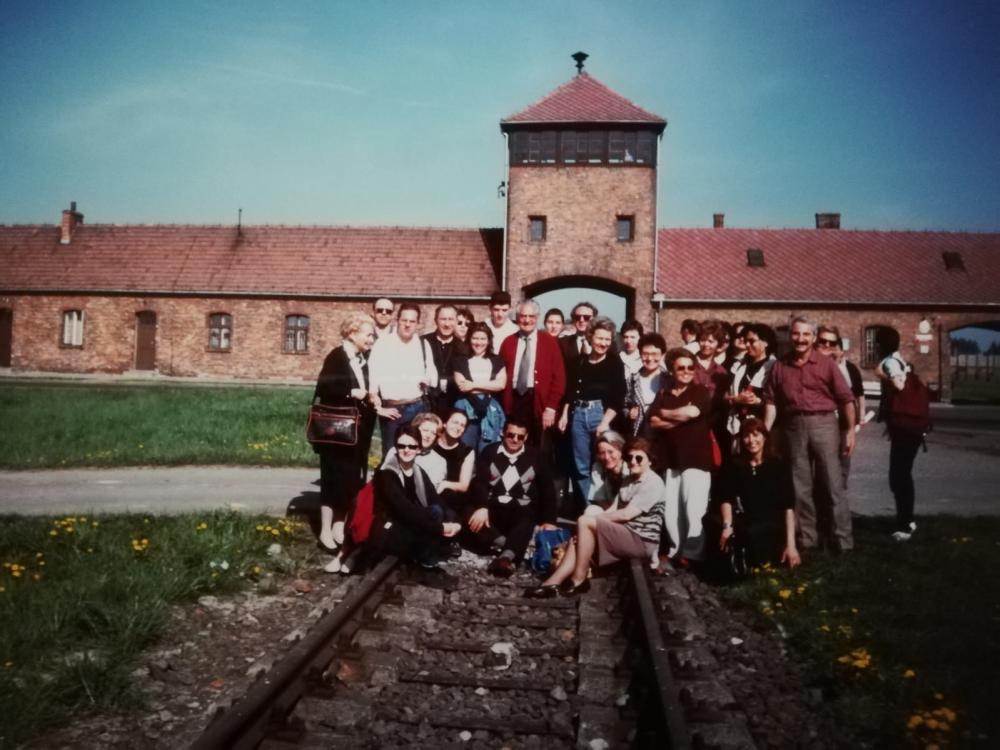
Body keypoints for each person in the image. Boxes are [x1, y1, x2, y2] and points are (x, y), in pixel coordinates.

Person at [524, 438, 664, 598]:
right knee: (579, 537)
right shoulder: (629, 480)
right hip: (628, 533)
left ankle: (579, 579)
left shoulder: (653, 483)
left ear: (650, 461)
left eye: (639, 458)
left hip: (642, 541)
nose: (633, 461)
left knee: (585, 522)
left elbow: (626, 514)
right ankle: (552, 583)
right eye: (630, 457)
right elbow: (614, 508)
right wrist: (585, 530)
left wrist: (590, 524)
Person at [764, 317, 857, 553]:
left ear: (813, 338)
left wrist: (849, 432)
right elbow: (771, 401)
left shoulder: (826, 364)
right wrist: (766, 432)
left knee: (832, 483)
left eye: (806, 335)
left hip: (824, 424)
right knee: (800, 485)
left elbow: (846, 400)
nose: (800, 339)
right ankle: (807, 539)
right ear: (790, 336)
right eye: (796, 334)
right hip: (793, 426)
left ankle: (842, 540)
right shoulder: (780, 366)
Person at [312, 313, 378, 572]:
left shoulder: (361, 359)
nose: (371, 339)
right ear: (352, 333)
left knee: (350, 480)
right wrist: (353, 392)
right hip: (335, 433)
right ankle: (325, 530)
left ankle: (340, 524)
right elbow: (323, 387)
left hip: (355, 433)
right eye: (367, 334)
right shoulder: (337, 356)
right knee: (332, 479)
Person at [370, 425, 461, 588]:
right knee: (429, 517)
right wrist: (439, 528)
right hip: (389, 530)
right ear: (396, 447)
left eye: (412, 446)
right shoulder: (387, 473)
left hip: (409, 526)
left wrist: (454, 522)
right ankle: (426, 568)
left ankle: (425, 565)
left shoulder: (418, 471)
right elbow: (405, 510)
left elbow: (436, 499)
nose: (406, 450)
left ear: (418, 449)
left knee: (436, 510)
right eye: (401, 446)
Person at [466, 419, 558, 576]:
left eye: (520, 437)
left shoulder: (536, 456)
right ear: (503, 433)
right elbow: (479, 482)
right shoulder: (490, 451)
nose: (515, 440)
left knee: (527, 518)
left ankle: (505, 557)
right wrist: (482, 507)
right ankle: (507, 544)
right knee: (468, 513)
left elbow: (547, 490)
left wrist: (549, 520)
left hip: (520, 510)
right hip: (493, 508)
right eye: (511, 435)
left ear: (526, 437)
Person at [650, 348, 714, 566]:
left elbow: (694, 412)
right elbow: (652, 422)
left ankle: (694, 553)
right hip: (671, 458)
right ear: (671, 370)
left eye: (690, 367)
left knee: (693, 507)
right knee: (672, 510)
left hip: (696, 457)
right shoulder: (664, 394)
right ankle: (678, 551)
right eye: (681, 368)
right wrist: (681, 415)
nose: (687, 371)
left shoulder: (700, 392)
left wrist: (666, 414)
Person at [558, 316, 626, 508]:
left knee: (605, 463)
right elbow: (570, 392)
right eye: (600, 338)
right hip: (578, 414)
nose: (603, 343)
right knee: (581, 465)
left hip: (601, 415)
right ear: (590, 337)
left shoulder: (614, 363)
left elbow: (619, 397)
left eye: (607, 339)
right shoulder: (578, 362)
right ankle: (590, 508)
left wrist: (604, 423)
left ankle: (608, 506)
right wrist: (564, 414)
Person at [716, 418, 801, 569]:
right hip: (746, 519)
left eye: (756, 435)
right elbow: (725, 497)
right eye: (746, 436)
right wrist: (727, 526)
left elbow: (788, 506)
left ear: (765, 437)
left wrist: (791, 545)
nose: (751, 440)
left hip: (772, 523)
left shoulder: (778, 465)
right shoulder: (734, 464)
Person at [368, 303, 438, 455]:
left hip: (417, 408)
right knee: (391, 454)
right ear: (397, 320)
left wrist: (427, 379)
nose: (407, 325)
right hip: (393, 410)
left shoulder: (423, 344)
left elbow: (433, 375)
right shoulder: (383, 344)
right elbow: (372, 377)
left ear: (418, 324)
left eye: (412, 321)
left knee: (416, 453)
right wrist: (378, 407)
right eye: (404, 320)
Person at [878, 333, 925, 542]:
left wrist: (882, 375)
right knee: (903, 474)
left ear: (881, 345)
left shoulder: (890, 362)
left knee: (898, 476)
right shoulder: (901, 360)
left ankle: (904, 525)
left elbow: (898, 385)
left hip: (905, 429)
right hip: (912, 427)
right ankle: (908, 518)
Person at [499, 299, 566, 445]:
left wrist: (551, 407)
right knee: (514, 442)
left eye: (531, 316)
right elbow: (500, 374)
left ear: (537, 318)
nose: (527, 320)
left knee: (540, 449)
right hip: (515, 400)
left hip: (539, 402)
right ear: (517, 318)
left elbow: (559, 378)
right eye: (523, 316)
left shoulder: (549, 342)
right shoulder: (508, 342)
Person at [453, 322, 507, 453]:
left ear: (488, 341)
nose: (479, 342)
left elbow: (501, 385)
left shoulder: (497, 360)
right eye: (475, 338)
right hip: (465, 410)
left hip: (491, 411)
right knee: (466, 449)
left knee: (487, 451)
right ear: (469, 339)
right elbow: (462, 386)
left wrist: (473, 385)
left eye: (483, 338)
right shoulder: (460, 360)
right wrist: (489, 386)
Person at [724, 323, 776, 454]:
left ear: (765, 342)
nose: (747, 345)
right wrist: (736, 399)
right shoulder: (737, 366)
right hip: (739, 426)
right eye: (746, 341)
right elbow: (724, 396)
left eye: (752, 341)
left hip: (763, 425)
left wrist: (758, 402)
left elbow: (781, 401)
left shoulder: (775, 368)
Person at [433, 409, 476, 517]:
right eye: (455, 422)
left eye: (462, 425)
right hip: (432, 495)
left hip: (455, 499)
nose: (458, 427)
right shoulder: (432, 444)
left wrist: (444, 484)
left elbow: (464, 485)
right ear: (445, 423)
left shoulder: (467, 451)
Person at [625, 332, 667, 437]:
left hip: (662, 433)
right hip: (639, 433)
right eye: (645, 354)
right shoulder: (633, 379)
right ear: (640, 354)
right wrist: (629, 412)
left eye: (654, 354)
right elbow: (624, 404)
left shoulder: (669, 380)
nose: (649, 358)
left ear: (662, 354)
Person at [422, 304, 461, 416]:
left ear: (456, 321)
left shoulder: (463, 347)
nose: (447, 324)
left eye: (451, 319)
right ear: (436, 320)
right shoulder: (423, 342)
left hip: (453, 403)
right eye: (443, 319)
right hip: (427, 403)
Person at [584, 430, 629, 514]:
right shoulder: (598, 468)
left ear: (621, 451)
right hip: (611, 510)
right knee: (591, 511)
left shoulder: (630, 468)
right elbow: (600, 499)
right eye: (602, 453)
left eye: (610, 452)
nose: (606, 457)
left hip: (630, 512)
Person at [693, 319, 730, 399]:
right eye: (702, 340)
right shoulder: (687, 365)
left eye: (711, 341)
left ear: (718, 344)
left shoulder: (721, 372)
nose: (706, 344)